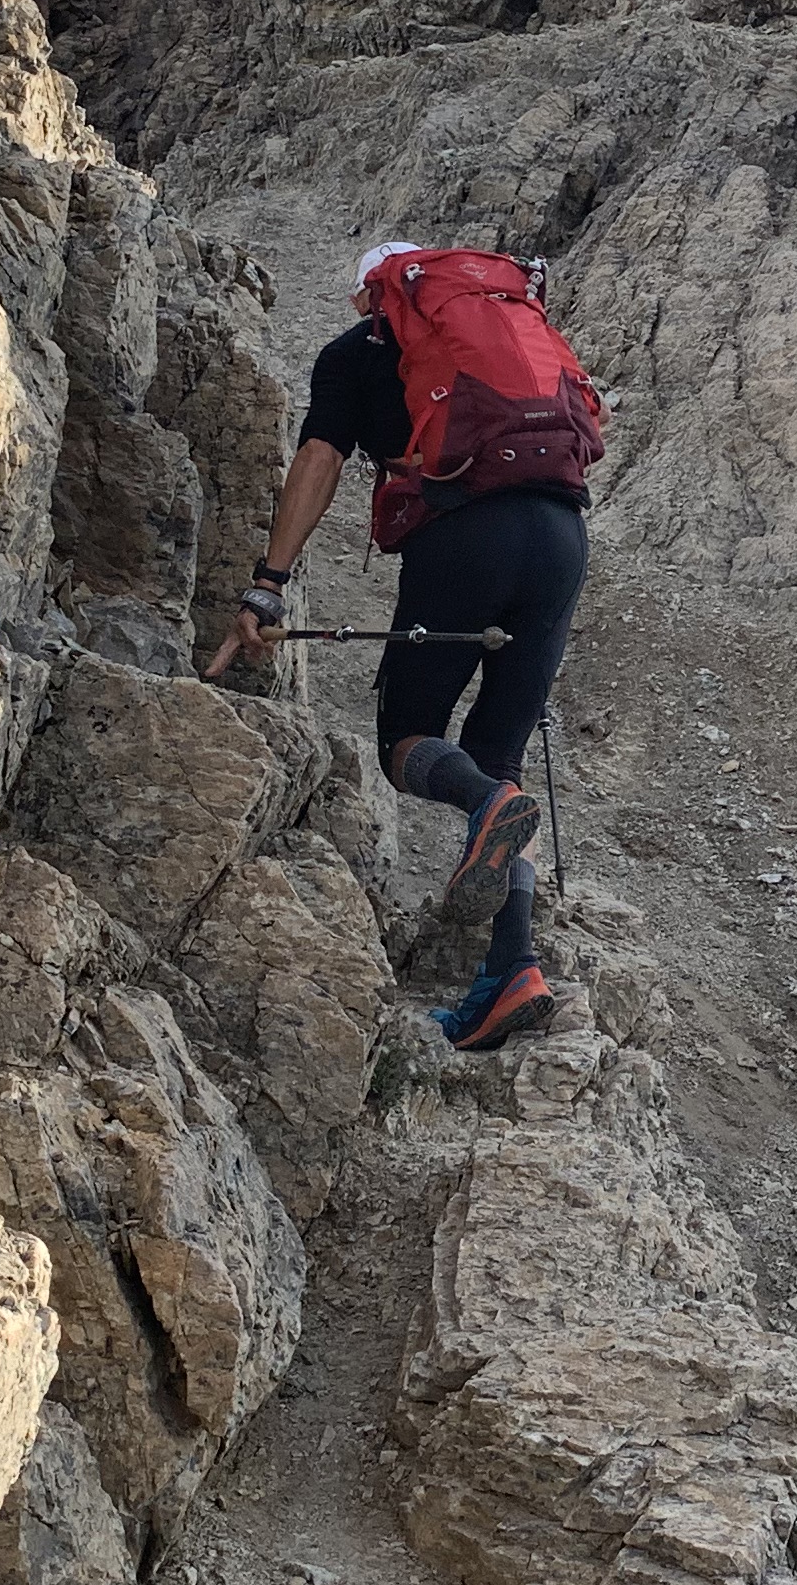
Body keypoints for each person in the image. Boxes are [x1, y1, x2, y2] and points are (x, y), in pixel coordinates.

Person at [207, 242, 590, 1051]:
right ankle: (512, 970)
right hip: (562, 535)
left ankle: (486, 806)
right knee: (503, 752)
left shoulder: (358, 353)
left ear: (367, 300)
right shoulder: (506, 335)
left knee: (405, 743)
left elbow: (319, 458)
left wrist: (267, 584)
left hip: (467, 541)